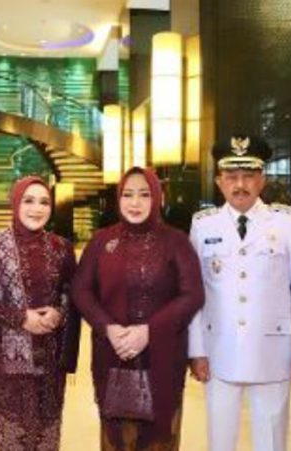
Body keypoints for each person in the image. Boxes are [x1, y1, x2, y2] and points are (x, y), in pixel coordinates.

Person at [187, 135, 291, 451]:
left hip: (271, 351)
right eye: (231, 177)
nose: (240, 185)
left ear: (262, 180)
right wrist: (196, 350)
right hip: (219, 351)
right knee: (220, 441)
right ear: (219, 181)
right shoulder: (203, 225)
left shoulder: (286, 222)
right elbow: (193, 294)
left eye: (248, 176)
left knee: (271, 440)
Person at [73, 167, 204, 450]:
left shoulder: (176, 241)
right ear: (118, 198)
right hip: (113, 354)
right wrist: (108, 328)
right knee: (115, 439)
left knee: (160, 439)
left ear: (158, 197)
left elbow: (193, 294)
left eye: (144, 195)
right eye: (128, 194)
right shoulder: (101, 241)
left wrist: (149, 331)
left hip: (163, 357)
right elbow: (81, 290)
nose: (135, 203)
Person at [0, 176, 80, 451]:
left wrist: (59, 313)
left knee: (47, 432)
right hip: (6, 359)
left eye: (44, 202)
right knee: (13, 432)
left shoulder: (62, 248)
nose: (37, 208)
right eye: (28, 200)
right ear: (15, 203)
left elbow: (73, 295)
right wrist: (22, 318)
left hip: (50, 356)